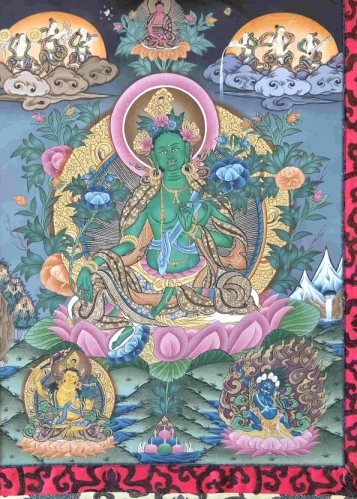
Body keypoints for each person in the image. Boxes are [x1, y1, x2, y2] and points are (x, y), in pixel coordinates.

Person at [72, 91, 255, 359]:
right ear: (153, 158)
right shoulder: (146, 199)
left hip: (198, 279)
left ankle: (164, 305)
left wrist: (196, 231)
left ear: (188, 152)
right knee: (97, 284)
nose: (170, 156)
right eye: (163, 151)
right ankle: (166, 302)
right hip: (148, 282)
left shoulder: (205, 196)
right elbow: (129, 244)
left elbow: (231, 244)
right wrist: (92, 264)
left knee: (237, 291)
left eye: (175, 149)